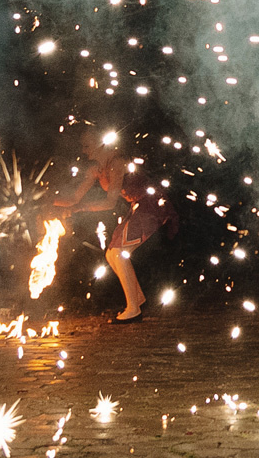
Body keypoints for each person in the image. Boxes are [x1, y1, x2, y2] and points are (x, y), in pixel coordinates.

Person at [49, 128, 170, 322]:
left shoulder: (117, 163)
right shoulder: (97, 167)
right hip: (138, 207)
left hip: (152, 205)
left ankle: (133, 310)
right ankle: (137, 300)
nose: (84, 150)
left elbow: (109, 203)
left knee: (118, 253)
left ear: (100, 144)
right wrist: (49, 200)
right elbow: (74, 198)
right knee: (111, 253)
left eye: (87, 145)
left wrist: (80, 209)